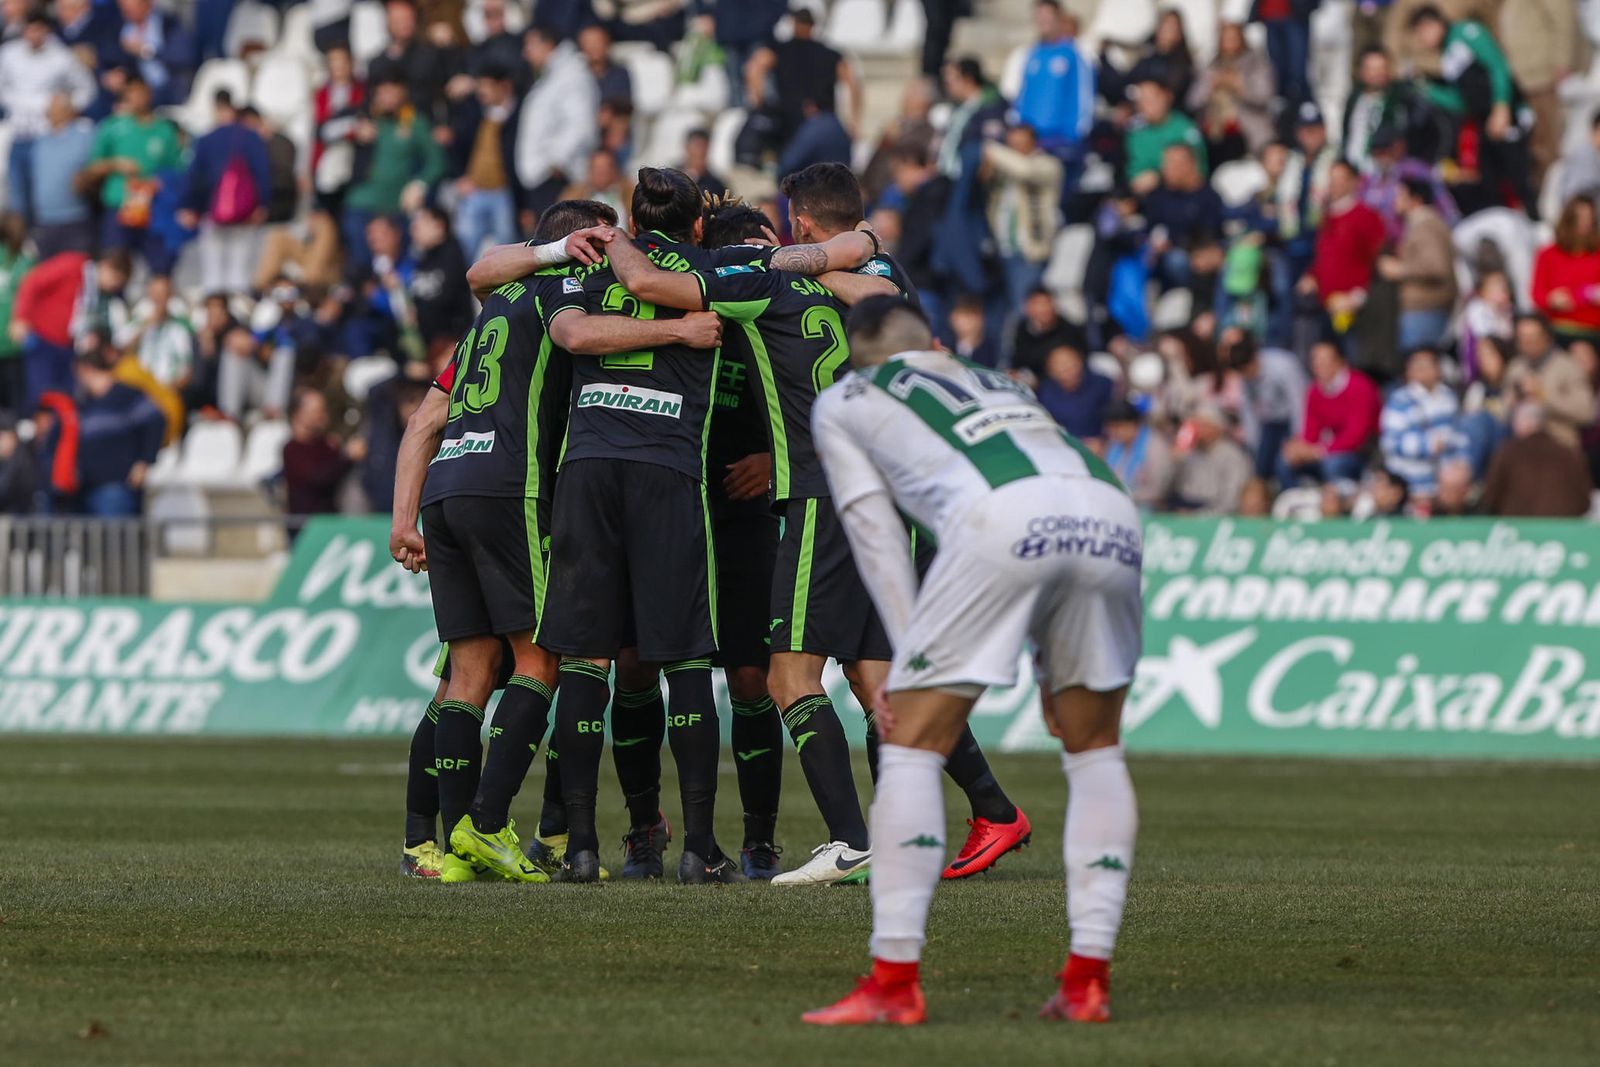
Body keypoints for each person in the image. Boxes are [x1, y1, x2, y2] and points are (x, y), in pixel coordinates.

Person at [468, 169, 873, 884]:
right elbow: (850, 278)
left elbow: (556, 321)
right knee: (679, 659)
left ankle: (598, 842)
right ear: (696, 229)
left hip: (614, 474)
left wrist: (589, 244)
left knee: (610, 661)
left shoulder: (591, 264)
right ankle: (684, 842)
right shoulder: (717, 270)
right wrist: (683, 324)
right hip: (673, 474)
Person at [803, 297, 1142, 1027]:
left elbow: (874, 530)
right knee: (1094, 750)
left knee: (914, 746)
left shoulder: (848, 397)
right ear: (931, 343)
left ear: (860, 358)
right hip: (1110, 509)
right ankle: (1087, 981)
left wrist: (903, 653)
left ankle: (894, 982)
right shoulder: (999, 381)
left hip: (1000, 517)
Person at [389, 199, 725, 883]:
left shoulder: (489, 314)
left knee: (467, 673)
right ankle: (488, 824)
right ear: (582, 246)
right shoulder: (559, 293)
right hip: (512, 487)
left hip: (447, 488)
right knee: (545, 661)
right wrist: (681, 329)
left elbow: (427, 416)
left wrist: (403, 518)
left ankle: (445, 845)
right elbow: (578, 336)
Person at [1408, 5, 1537, 218]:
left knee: (1519, 174)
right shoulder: (1448, 56)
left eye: (1425, 31)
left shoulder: (1467, 33)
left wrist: (1501, 106)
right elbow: (1461, 101)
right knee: (1488, 179)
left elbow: (1498, 65)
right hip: (1483, 122)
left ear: (1435, 24)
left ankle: (1536, 221)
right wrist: (1428, 90)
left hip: (1507, 115)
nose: (1424, 38)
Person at [80, 73, 183, 274]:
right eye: (131, 93)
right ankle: (112, 303)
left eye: (140, 92)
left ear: (149, 94)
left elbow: (177, 169)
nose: (136, 98)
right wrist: (115, 164)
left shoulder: (163, 130)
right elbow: (91, 167)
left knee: (159, 266)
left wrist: (161, 182)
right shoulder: (113, 127)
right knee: (114, 263)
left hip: (152, 207)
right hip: (119, 206)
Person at [341, 75, 447, 268]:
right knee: (360, 267)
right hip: (361, 203)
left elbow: (436, 162)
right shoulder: (365, 117)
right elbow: (326, 129)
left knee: (400, 267)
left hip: (396, 207)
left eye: (393, 91)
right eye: (383, 91)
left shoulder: (414, 122)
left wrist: (419, 184)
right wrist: (353, 130)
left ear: (403, 92)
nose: (388, 97)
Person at [0, 12, 94, 226]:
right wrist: (17, 101)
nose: (33, 35)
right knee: (16, 196)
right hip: (18, 133)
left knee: (41, 196)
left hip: (46, 135)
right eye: (29, 29)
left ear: (47, 31)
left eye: (38, 29)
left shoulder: (61, 57)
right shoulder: (8, 54)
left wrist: (66, 108)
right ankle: (20, 248)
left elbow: (86, 89)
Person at [178, 92, 272, 296]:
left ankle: (216, 312)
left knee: (213, 273)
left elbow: (195, 177)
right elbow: (262, 173)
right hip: (245, 212)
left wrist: (191, 206)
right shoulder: (250, 137)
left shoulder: (206, 139)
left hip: (213, 211)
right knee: (239, 270)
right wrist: (262, 204)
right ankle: (236, 312)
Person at [515, 25, 599, 220]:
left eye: (530, 45)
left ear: (547, 44)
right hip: (542, 176)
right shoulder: (551, 76)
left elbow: (582, 125)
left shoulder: (572, 75)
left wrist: (555, 164)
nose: (525, 52)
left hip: (557, 178)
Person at [446, 64, 521, 259]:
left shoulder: (519, 114)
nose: (481, 92)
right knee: (464, 249)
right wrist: (460, 176)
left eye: (487, 86)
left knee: (507, 251)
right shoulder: (474, 113)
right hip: (474, 190)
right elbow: (457, 145)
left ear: (504, 86)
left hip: (504, 192)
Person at [1282, 339, 1381, 484]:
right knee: (1285, 461)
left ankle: (1336, 504)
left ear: (1340, 362)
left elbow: (1356, 436)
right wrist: (1299, 448)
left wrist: (1318, 451)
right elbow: (1311, 430)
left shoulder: (1360, 387)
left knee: (1333, 464)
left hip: (1363, 452)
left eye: (1325, 361)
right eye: (1315, 360)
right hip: (1328, 448)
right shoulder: (1314, 391)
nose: (1318, 365)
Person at [1377, 177, 1458, 352]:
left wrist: (1399, 269)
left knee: (1419, 362)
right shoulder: (1420, 223)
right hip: (1422, 309)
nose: (1394, 199)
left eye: (1400, 194)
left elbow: (1436, 267)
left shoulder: (1425, 224)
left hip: (1425, 309)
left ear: (1416, 199)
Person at [1014, 2, 1092, 178]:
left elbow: (1084, 98)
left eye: (1047, 16)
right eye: (1039, 17)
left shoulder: (1074, 54)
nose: (1043, 21)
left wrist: (1073, 135)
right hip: (1031, 142)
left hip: (1060, 142)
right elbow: (1022, 95)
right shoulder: (1032, 55)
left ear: (1059, 19)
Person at [1187, 21, 1276, 167]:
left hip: (1246, 134)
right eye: (1225, 39)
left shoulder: (1255, 65)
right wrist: (1210, 87)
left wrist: (1239, 86)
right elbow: (1192, 101)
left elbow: (1265, 96)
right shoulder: (1211, 67)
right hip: (1214, 134)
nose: (1229, 43)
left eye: (1233, 38)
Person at [1481, 403, 1593, 517]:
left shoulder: (1507, 453)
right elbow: (1585, 501)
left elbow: (1490, 497)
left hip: (1519, 529)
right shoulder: (1569, 453)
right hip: (1562, 529)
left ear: (1524, 423)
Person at [1379, 346, 1461, 498]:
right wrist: (1427, 445)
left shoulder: (1448, 397)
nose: (1422, 370)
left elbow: (1457, 434)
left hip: (1441, 480)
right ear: (1408, 371)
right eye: (1417, 366)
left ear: (1438, 369)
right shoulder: (1399, 400)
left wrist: (1447, 443)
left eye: (1427, 365)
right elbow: (1390, 443)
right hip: (1407, 481)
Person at [1506, 314, 1595, 453]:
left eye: (1533, 337)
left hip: (1560, 447)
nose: (1528, 342)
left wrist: (1543, 396)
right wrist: (1514, 401)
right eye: (1522, 337)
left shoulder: (1568, 366)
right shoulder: (1515, 367)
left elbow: (1586, 413)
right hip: (1520, 449)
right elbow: (1504, 410)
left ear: (1546, 337)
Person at [1226, 328, 1306, 478]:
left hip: (1291, 420)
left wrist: (1298, 436)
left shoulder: (1283, 365)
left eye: (1248, 369)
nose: (1248, 375)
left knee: (1283, 464)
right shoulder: (1246, 378)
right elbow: (1248, 410)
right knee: (1261, 467)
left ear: (1254, 358)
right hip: (1270, 422)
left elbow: (1299, 401)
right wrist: (1254, 444)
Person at [1531, 197, 1600, 349]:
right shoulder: (1548, 254)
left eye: (1589, 219)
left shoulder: (1597, 254)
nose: (1585, 223)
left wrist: (1588, 295)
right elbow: (1537, 294)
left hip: (1593, 329)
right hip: (1558, 328)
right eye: (1579, 218)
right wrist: (1551, 299)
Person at [1124, 76, 1206, 195]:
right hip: (1145, 197)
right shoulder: (1134, 132)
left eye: (1150, 100)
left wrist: (1160, 177)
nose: (1144, 106)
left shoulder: (1186, 130)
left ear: (1167, 96)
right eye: (1141, 101)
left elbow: (1200, 172)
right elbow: (1132, 173)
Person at [1170, 403, 1252, 514]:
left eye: (1201, 425)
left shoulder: (1232, 456)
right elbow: (1171, 488)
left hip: (1211, 512)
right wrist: (1174, 462)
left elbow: (1231, 501)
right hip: (1183, 506)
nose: (1196, 430)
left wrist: (1198, 516)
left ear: (1217, 428)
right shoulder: (1190, 452)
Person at [282, 387, 355, 514]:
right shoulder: (292, 450)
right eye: (317, 411)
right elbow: (319, 478)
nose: (323, 416)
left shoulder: (328, 444)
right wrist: (347, 457)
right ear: (298, 413)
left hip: (329, 522)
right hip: (304, 526)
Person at [1103, 399, 1174, 511]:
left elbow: (1158, 490)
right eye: (1110, 427)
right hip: (1118, 505)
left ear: (1134, 424)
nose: (1113, 432)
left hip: (1148, 509)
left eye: (1118, 426)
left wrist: (1124, 495)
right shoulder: (1114, 446)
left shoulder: (1154, 446)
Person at [1036, 344, 1112, 447]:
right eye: (1058, 363)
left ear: (1080, 361)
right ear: (1049, 369)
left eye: (1069, 361)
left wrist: (1104, 442)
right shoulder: (1045, 392)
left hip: (1100, 446)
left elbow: (1115, 419)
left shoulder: (1102, 384)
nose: (1065, 367)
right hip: (1062, 447)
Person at [1249, 0, 1317, 110]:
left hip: (1295, 14)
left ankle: (1306, 112)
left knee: (1298, 71)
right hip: (1270, 15)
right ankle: (1283, 113)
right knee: (1277, 71)